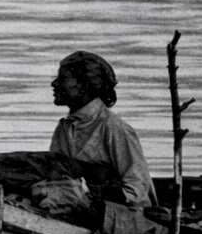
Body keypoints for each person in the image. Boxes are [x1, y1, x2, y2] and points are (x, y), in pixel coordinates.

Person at [50, 50, 154, 208]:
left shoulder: (112, 127)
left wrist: (97, 192)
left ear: (84, 86)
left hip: (123, 218)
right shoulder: (65, 127)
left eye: (63, 79)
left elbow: (137, 189)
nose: (54, 83)